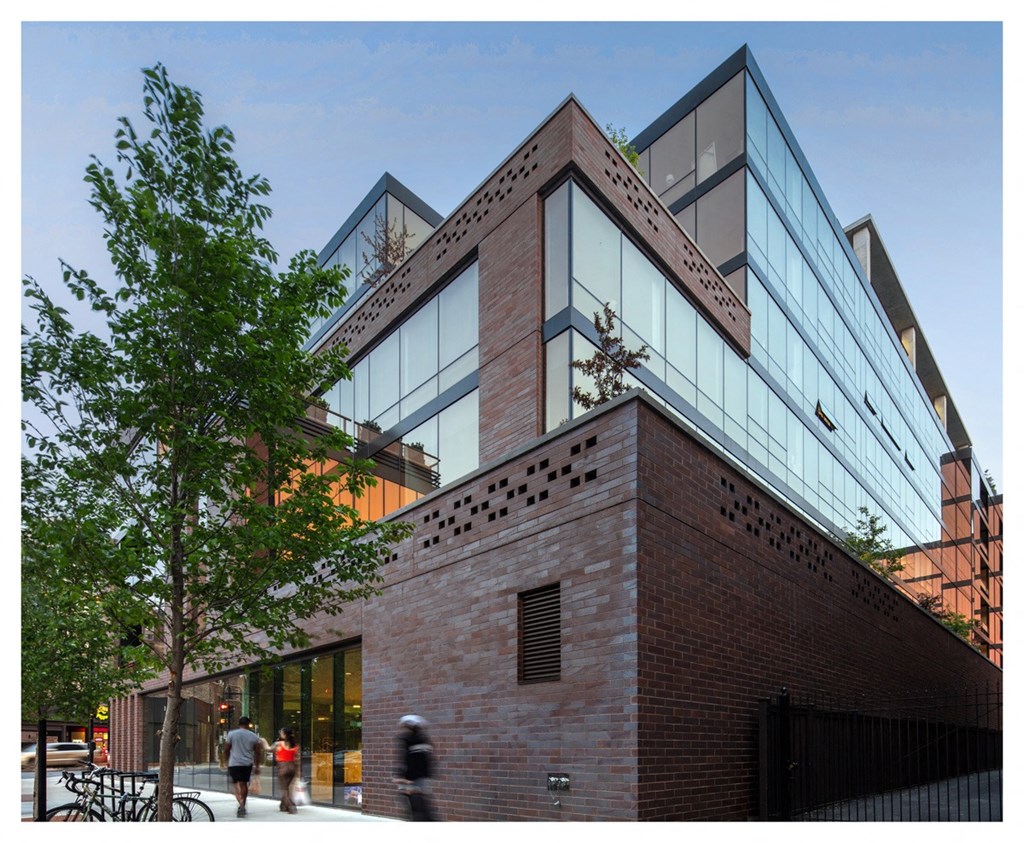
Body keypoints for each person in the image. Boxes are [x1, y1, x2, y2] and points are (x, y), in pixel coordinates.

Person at [393, 714, 436, 821]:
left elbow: (407, 759)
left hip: (410, 777)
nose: (404, 728)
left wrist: (403, 778)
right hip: (420, 776)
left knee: (415, 805)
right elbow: (428, 760)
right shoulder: (425, 739)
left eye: (405, 726)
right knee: (419, 804)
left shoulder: (408, 739)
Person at [224, 716, 263, 818]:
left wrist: (225, 760)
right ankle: (242, 805)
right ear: (248, 725)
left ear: (239, 724)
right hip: (247, 763)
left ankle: (240, 803)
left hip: (234, 763)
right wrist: (257, 766)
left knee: (234, 784)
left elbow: (226, 749)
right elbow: (258, 752)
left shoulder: (231, 734)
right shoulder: (253, 736)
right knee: (243, 784)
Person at [271, 727, 300, 814]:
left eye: (281, 732)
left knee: (284, 789)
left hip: (282, 767)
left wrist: (263, 741)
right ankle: (283, 805)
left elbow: (268, 749)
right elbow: (297, 759)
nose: (280, 733)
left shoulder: (278, 744)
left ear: (284, 735)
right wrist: (298, 772)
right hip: (292, 768)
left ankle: (291, 806)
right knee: (287, 788)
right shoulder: (295, 745)